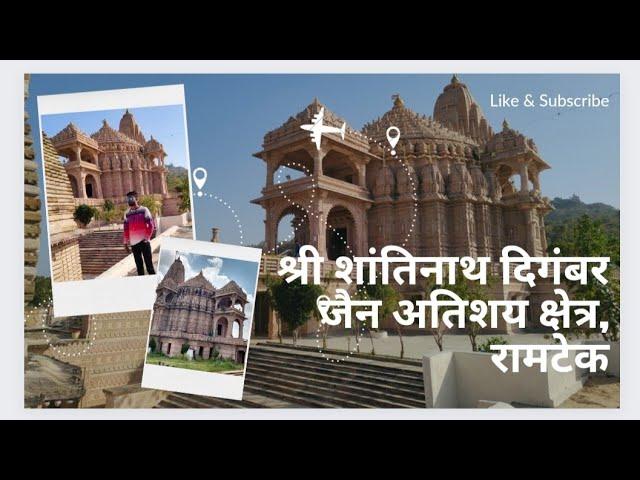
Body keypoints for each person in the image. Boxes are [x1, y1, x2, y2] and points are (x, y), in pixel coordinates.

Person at [123, 191, 156, 275]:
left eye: (131, 198)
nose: (129, 200)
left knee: (149, 266)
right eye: (128, 198)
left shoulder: (144, 210)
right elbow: (126, 229)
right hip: (134, 244)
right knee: (139, 267)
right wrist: (125, 243)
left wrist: (146, 238)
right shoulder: (126, 213)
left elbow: (151, 225)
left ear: (137, 199)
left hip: (144, 242)